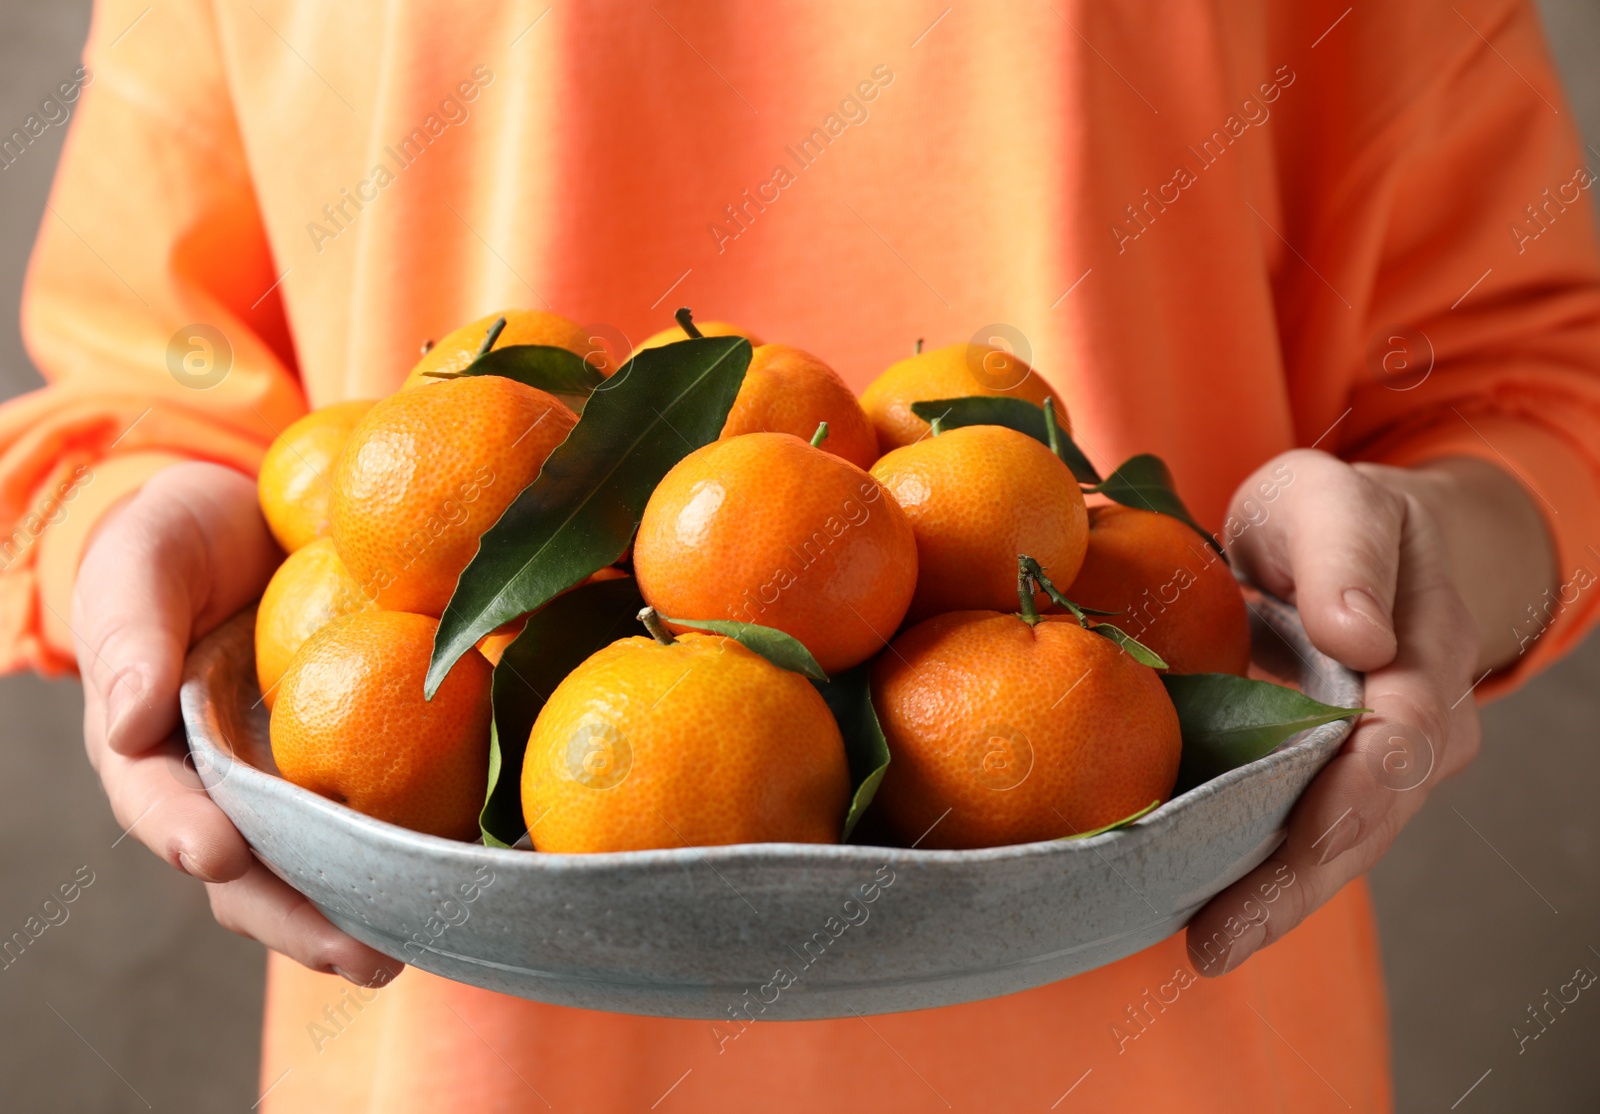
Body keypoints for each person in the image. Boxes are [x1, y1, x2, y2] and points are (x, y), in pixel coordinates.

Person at [6, 0, 1598, 1108]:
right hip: (454, 1005)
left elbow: (1529, 375)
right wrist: (145, 528)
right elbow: (157, 383)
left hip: (1160, 1017)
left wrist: (1436, 556)